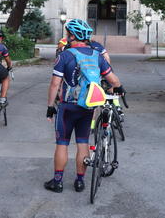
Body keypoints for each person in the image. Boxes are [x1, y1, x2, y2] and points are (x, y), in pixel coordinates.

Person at [45, 19, 125, 193]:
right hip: (88, 107)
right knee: (83, 143)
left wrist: (50, 106)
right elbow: (113, 79)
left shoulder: (65, 55)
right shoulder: (96, 55)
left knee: (62, 144)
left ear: (73, 36)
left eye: (68, 35)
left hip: (67, 107)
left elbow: (54, 84)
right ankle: (80, 182)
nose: (66, 37)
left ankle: (57, 182)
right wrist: (119, 88)